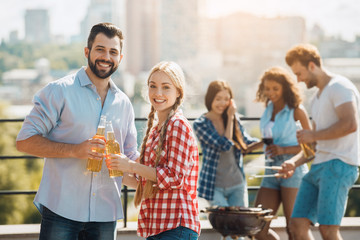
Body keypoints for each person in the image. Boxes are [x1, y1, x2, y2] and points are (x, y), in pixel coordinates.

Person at [15, 22, 139, 240]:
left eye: (113, 52)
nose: (106, 57)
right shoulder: (59, 91)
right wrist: (75, 150)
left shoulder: (125, 104)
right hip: (62, 210)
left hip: (105, 214)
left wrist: (158, 183)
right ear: (87, 51)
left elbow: (129, 161)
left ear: (120, 57)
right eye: (100, 49)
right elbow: (24, 141)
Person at [106, 61, 200, 239]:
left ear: (178, 91)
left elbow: (174, 177)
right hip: (159, 226)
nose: (158, 93)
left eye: (166, 87)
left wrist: (131, 166)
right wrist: (115, 168)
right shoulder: (157, 129)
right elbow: (147, 183)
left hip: (176, 226)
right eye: (153, 86)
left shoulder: (177, 125)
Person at [280, 43, 360, 240]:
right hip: (318, 167)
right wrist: (294, 162)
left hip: (339, 166)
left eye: (299, 73)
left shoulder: (339, 87)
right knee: (297, 225)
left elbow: (350, 124)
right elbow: (313, 147)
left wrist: (313, 135)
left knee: (328, 229)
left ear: (312, 65)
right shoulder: (316, 99)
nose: (298, 80)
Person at [247, 66, 311, 240]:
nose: (271, 92)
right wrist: (251, 147)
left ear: (285, 88)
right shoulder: (268, 109)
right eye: (267, 88)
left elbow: (311, 146)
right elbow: (269, 139)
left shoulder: (296, 110)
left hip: (293, 169)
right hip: (270, 170)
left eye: (275, 88)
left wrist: (284, 150)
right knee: (257, 229)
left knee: (294, 230)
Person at [194, 80, 258, 208]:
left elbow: (246, 141)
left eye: (226, 99)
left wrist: (268, 141)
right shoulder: (201, 124)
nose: (222, 103)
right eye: (218, 99)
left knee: (239, 223)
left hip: (237, 184)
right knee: (223, 222)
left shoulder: (233, 118)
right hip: (213, 186)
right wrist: (230, 118)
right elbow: (225, 145)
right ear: (210, 99)